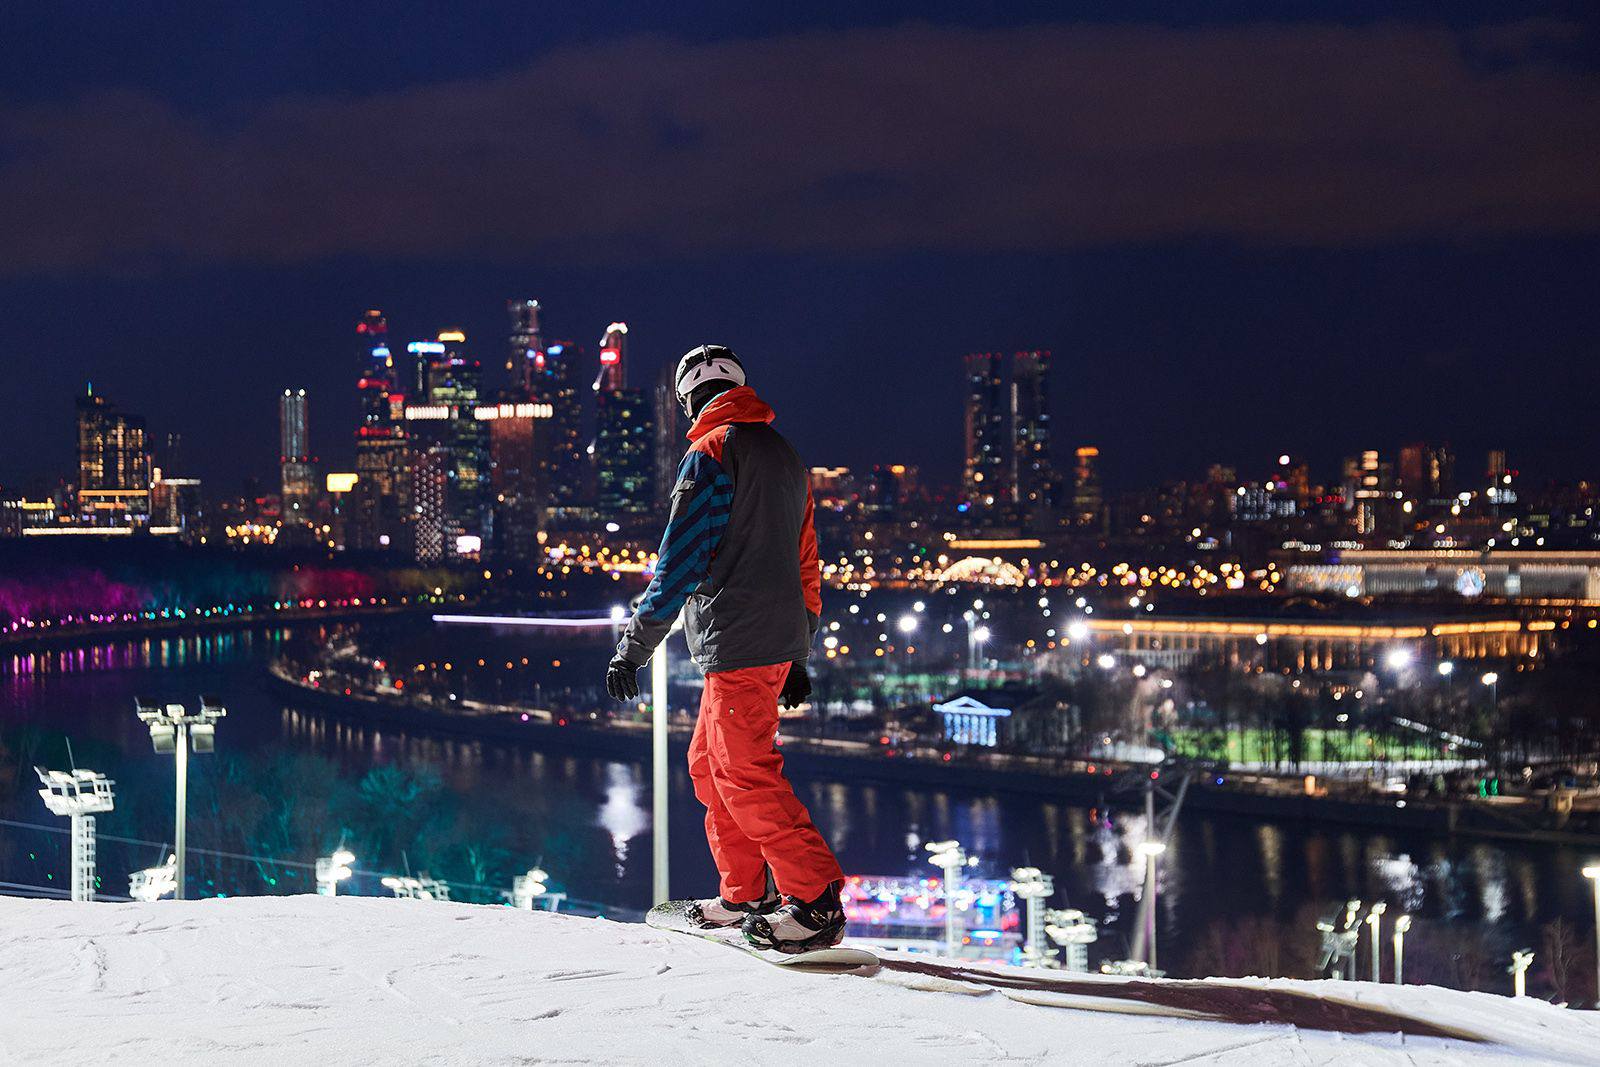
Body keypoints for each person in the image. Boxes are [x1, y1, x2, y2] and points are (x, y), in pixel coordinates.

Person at [604, 344, 846, 953]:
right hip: (768, 642)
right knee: (710, 766)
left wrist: (633, 649)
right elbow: (806, 561)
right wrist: (799, 651)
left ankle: (814, 903)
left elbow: (679, 564)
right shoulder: (785, 455)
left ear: (688, 398)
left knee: (743, 772)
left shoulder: (711, 452)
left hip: (739, 641)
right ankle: (746, 895)